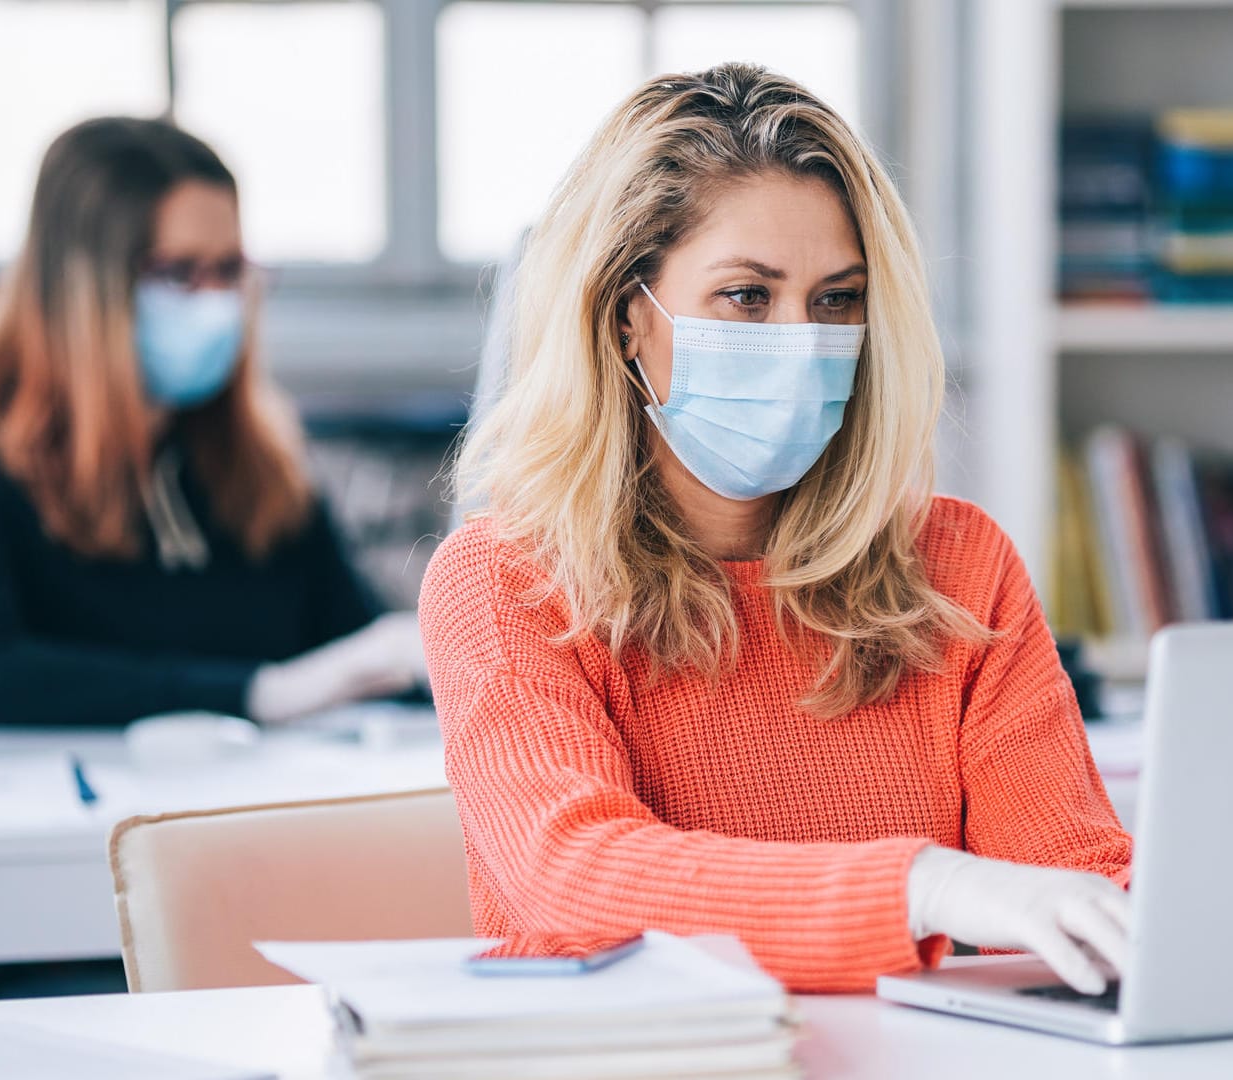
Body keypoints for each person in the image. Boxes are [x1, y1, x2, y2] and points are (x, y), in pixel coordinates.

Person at [419, 64, 1131, 995]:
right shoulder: (502, 581)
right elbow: (575, 880)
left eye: (837, 300)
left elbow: (1071, 882)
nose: (801, 339)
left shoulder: (958, 566)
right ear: (630, 317)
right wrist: (923, 885)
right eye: (748, 297)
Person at [0, 117, 424, 728]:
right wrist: (260, 693)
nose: (216, 302)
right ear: (84, 288)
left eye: (228, 270)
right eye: (180, 273)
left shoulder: (259, 466)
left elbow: (357, 647)